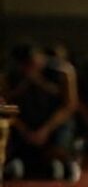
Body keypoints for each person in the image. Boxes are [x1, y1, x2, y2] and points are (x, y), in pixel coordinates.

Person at [2, 42, 80, 181]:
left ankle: (65, 160)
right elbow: (6, 106)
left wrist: (45, 130)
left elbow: (69, 105)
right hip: (24, 123)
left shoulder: (62, 71)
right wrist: (23, 129)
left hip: (54, 123)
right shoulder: (10, 75)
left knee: (58, 148)